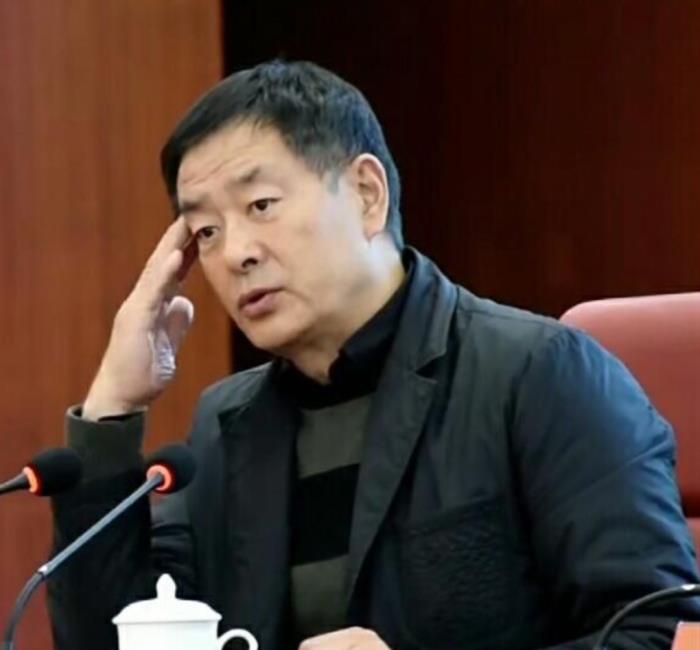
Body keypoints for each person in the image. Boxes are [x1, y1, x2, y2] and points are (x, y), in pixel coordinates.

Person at [49, 60, 699, 650]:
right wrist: (111, 410)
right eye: (207, 231)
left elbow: (659, 635)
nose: (236, 252)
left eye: (261, 205)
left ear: (366, 193)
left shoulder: (539, 375)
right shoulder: (227, 426)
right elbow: (117, 639)